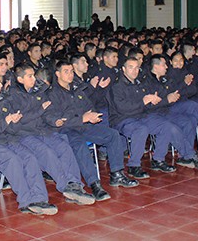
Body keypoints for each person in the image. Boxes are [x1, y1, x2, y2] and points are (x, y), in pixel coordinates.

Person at [0, 70, 58, 215]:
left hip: (6, 140)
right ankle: (26, 201)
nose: (2, 84)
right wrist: (6, 121)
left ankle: (39, 198)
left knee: (29, 157)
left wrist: (13, 121)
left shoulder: (2, 100)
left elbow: (10, 126)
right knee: (13, 160)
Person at [46, 61, 137, 200]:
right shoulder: (51, 94)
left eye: (71, 71)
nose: (70, 74)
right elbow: (55, 120)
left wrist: (92, 115)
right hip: (66, 130)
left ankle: (117, 174)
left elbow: (89, 106)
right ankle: (94, 183)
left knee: (113, 135)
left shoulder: (76, 89)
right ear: (57, 74)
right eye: (66, 71)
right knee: (80, 145)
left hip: (84, 126)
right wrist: (82, 118)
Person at [6, 63, 95, 205]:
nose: (33, 79)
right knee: (47, 153)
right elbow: (20, 120)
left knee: (64, 147)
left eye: (33, 75)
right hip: (25, 134)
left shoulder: (38, 92)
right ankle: (65, 186)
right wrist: (40, 110)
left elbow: (47, 112)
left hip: (43, 130)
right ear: (20, 79)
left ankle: (75, 184)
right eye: (29, 76)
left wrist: (55, 120)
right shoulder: (13, 96)